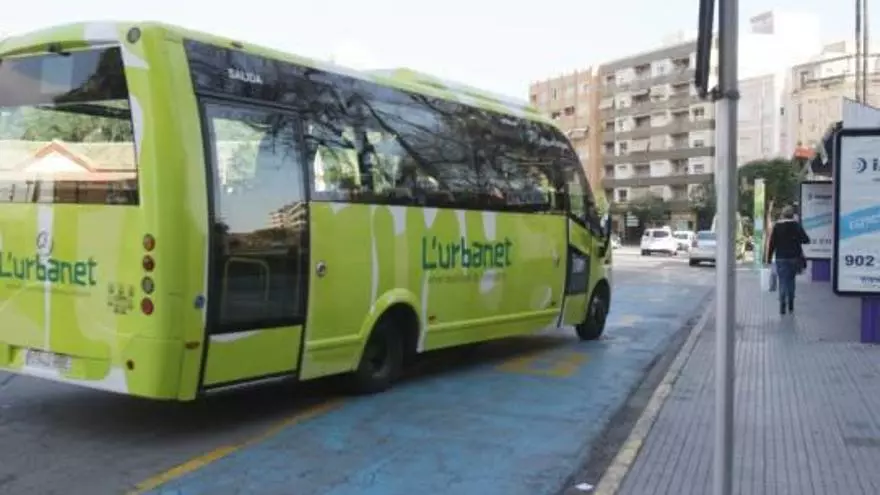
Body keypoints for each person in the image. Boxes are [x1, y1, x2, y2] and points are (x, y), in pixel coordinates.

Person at [765, 205, 810, 315]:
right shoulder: (796, 226)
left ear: (783, 214)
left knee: (782, 280)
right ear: (792, 215)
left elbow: (772, 244)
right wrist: (796, 239)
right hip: (794, 258)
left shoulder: (777, 226)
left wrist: (769, 258)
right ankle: (791, 303)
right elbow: (806, 240)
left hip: (780, 258)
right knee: (791, 280)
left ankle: (782, 304)